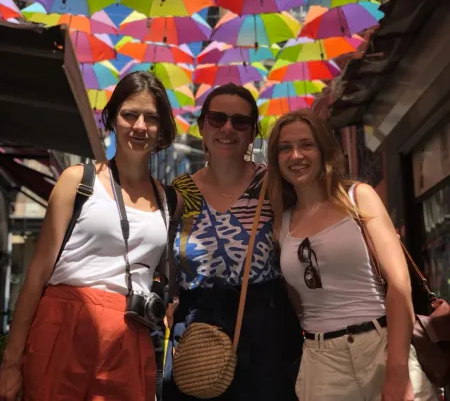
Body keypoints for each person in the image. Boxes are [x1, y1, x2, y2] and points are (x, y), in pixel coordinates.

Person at [0, 71, 176, 401]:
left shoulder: (170, 200)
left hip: (129, 332)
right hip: (64, 322)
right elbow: (37, 275)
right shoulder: (77, 180)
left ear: (163, 128)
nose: (140, 126)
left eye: (151, 118)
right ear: (112, 118)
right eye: (129, 114)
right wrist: (10, 363)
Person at [267, 109, 440, 401]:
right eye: (285, 148)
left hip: (382, 346)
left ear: (323, 150)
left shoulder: (358, 197)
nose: (296, 155)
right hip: (321, 362)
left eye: (306, 144)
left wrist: (398, 371)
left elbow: (399, 286)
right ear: (276, 159)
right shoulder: (280, 224)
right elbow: (297, 303)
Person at [164, 83, 302, 401]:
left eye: (240, 122)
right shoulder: (179, 191)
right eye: (217, 119)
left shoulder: (275, 185)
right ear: (202, 126)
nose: (228, 128)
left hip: (267, 334)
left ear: (253, 132)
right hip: (198, 336)